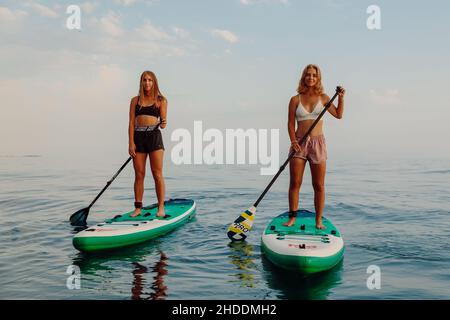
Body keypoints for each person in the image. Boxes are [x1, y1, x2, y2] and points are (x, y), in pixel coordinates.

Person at [284, 64, 345, 229]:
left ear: (318, 78)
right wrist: (293, 141)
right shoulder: (295, 99)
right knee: (295, 183)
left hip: (318, 143)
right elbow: (290, 123)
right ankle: (292, 218)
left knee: (318, 185)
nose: (311, 78)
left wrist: (340, 97)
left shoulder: (324, 98)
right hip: (299, 143)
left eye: (314, 75)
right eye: (308, 75)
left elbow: (339, 115)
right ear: (303, 77)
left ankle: (318, 220)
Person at [128, 71, 167, 217]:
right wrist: (131, 143)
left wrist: (163, 122)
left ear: (154, 82)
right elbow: (131, 122)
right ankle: (138, 208)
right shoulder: (135, 101)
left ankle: (161, 207)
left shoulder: (161, 100)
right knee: (139, 174)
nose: (147, 83)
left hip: (154, 137)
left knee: (157, 174)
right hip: (138, 137)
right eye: (145, 80)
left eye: (150, 80)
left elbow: (163, 123)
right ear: (141, 82)